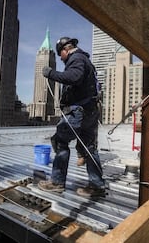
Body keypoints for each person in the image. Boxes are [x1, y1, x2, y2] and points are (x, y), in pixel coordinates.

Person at [38, 37, 106, 197]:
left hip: (78, 111)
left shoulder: (76, 59)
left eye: (60, 55)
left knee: (60, 141)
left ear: (65, 50)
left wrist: (51, 73)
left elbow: (74, 77)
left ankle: (56, 182)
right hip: (89, 110)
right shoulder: (85, 60)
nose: (61, 59)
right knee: (89, 146)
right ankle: (97, 186)